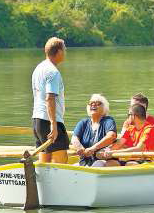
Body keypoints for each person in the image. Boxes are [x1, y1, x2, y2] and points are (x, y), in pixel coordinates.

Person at [31, 36, 70, 164]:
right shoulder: (53, 72)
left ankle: (42, 185)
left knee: (45, 162)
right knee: (62, 163)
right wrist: (53, 125)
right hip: (49, 121)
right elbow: (50, 98)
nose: (65, 53)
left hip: (37, 120)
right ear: (58, 52)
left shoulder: (38, 68)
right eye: (64, 50)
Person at [71, 94, 117, 166]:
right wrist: (80, 148)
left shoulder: (108, 120)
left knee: (97, 164)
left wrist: (93, 148)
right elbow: (74, 138)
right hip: (85, 161)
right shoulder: (83, 122)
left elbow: (111, 137)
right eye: (91, 103)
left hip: (104, 160)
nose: (93, 105)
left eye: (98, 103)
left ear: (104, 107)